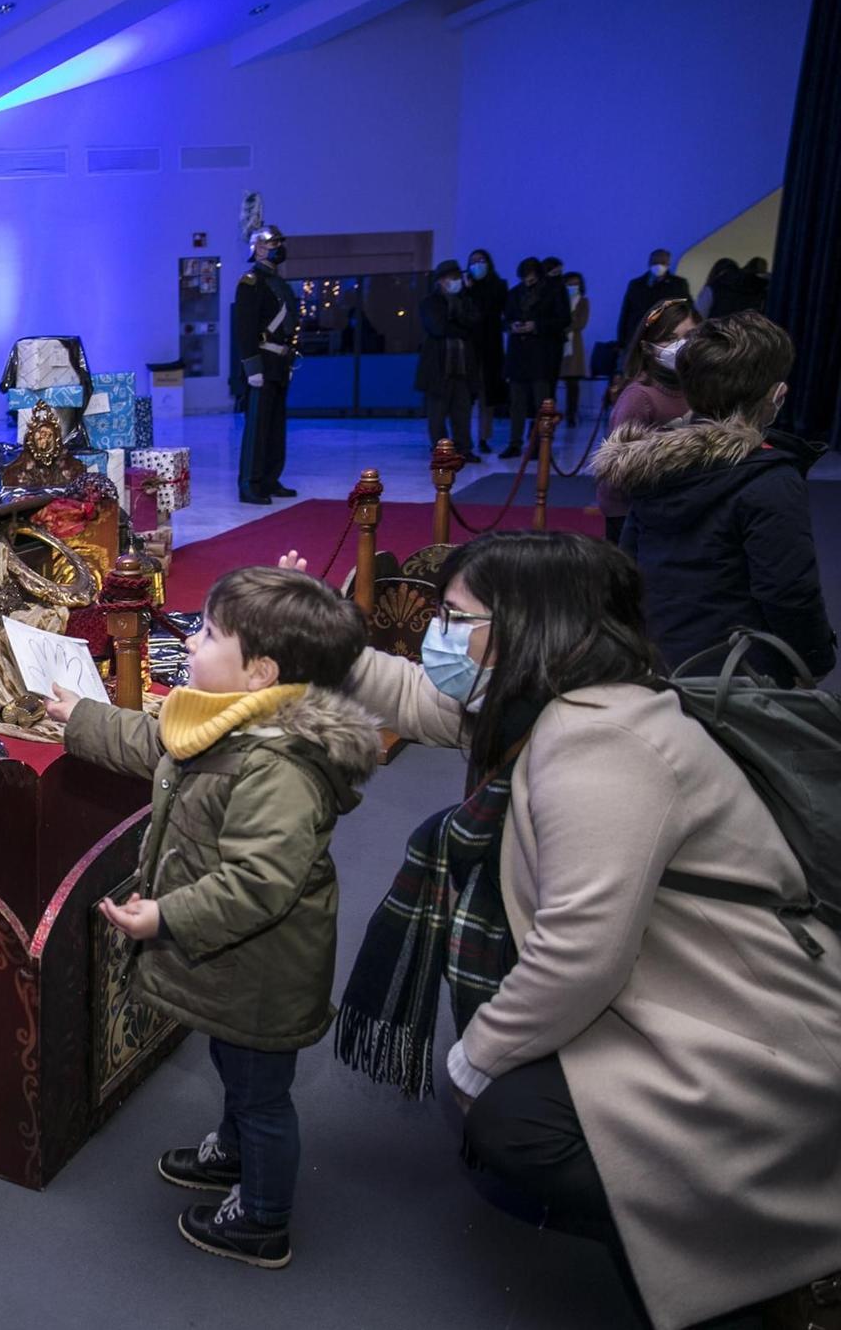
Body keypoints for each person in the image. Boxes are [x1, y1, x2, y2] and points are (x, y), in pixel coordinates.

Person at [325, 530, 841, 1330]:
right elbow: (428, 703)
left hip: (748, 1027)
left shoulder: (599, 747)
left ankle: (761, 1257)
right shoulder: (555, 701)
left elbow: (581, 957)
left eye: (457, 617)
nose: (438, 634)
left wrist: (473, 1061)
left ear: (527, 624)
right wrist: (325, 638)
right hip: (676, 983)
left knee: (510, 1127)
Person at [45, 567, 377, 1270]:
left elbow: (258, 882)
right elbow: (155, 741)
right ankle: (232, 1149)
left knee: (262, 1094)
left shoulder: (278, 767)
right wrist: (81, 716)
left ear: (260, 670)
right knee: (234, 1060)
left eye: (207, 633)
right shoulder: (229, 721)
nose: (190, 643)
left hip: (262, 972)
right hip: (232, 969)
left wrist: (165, 915)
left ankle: (262, 1218)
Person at [593, 311, 834, 683]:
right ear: (776, 394)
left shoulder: (651, 466)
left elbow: (629, 567)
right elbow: (787, 592)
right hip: (740, 679)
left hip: (660, 663)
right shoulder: (771, 481)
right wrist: (814, 660)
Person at [592, 297, 698, 541]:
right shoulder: (640, 397)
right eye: (670, 338)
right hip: (630, 511)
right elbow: (619, 467)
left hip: (672, 507)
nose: (681, 345)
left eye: (689, 336)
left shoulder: (694, 388)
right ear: (648, 346)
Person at [231, 225, 299, 504]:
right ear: (258, 248)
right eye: (273, 243)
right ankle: (250, 483)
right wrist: (252, 367)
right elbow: (244, 329)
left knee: (275, 427)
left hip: (279, 362)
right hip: (262, 362)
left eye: (280, 242)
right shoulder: (251, 282)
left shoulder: (278, 283)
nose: (278, 247)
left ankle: (270, 479)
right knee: (257, 428)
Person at [502, 257, 568, 458]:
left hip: (541, 354)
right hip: (518, 354)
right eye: (524, 278)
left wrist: (536, 325)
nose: (528, 281)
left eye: (531, 278)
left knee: (542, 401)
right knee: (517, 402)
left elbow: (564, 319)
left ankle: (541, 443)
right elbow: (506, 319)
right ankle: (515, 442)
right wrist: (511, 326)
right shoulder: (514, 293)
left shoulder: (554, 291)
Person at [416, 260, 480, 461]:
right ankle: (441, 449)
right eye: (452, 278)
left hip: (462, 366)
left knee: (462, 410)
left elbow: (475, 322)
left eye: (457, 278)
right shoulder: (430, 302)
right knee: (437, 413)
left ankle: (464, 448)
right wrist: (461, 327)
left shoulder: (465, 300)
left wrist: (460, 323)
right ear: (442, 281)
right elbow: (438, 328)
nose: (457, 282)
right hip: (438, 366)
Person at [464, 249, 509, 452]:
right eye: (473, 261)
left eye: (481, 260)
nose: (477, 264)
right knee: (465, 397)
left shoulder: (498, 286)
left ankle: (483, 437)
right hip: (468, 348)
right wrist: (468, 289)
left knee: (486, 396)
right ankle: (463, 438)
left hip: (490, 347)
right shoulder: (463, 287)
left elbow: (494, 310)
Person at [616, 248, 692, 348]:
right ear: (649, 263)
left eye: (663, 262)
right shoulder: (636, 284)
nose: (659, 265)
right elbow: (626, 313)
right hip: (637, 336)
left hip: (665, 337)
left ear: (668, 264)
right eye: (656, 262)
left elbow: (687, 309)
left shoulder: (678, 284)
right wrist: (621, 341)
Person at [559, 271, 590, 424]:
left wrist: (566, 324)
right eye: (570, 284)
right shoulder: (558, 301)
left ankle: (571, 414)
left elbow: (580, 323)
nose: (573, 286)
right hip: (558, 344)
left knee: (573, 383)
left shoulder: (583, 302)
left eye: (576, 284)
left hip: (574, 347)